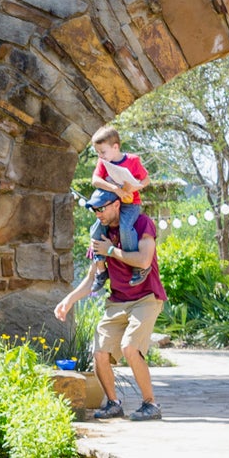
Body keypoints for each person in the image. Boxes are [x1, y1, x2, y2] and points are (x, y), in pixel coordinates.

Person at [54, 189, 166, 422]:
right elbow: (91, 278)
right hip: (117, 301)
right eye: (94, 209)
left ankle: (150, 404)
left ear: (116, 205)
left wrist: (112, 251)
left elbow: (144, 260)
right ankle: (113, 403)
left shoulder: (141, 223)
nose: (97, 214)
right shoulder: (100, 235)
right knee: (100, 352)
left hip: (146, 297)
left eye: (101, 208)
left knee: (129, 347)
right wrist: (69, 300)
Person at [89, 127, 149, 285]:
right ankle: (101, 269)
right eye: (98, 153)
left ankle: (137, 267)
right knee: (96, 228)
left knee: (125, 228)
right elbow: (95, 180)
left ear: (115, 147)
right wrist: (115, 189)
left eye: (103, 152)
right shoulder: (104, 162)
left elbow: (146, 180)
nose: (100, 156)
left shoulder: (133, 160)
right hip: (112, 203)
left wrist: (132, 188)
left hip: (130, 204)